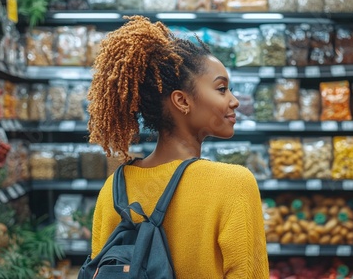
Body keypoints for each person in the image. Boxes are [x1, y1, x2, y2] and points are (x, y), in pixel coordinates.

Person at [87, 16, 269, 278]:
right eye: (222, 89)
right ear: (182, 101)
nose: (234, 101)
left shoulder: (114, 189)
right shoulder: (233, 185)